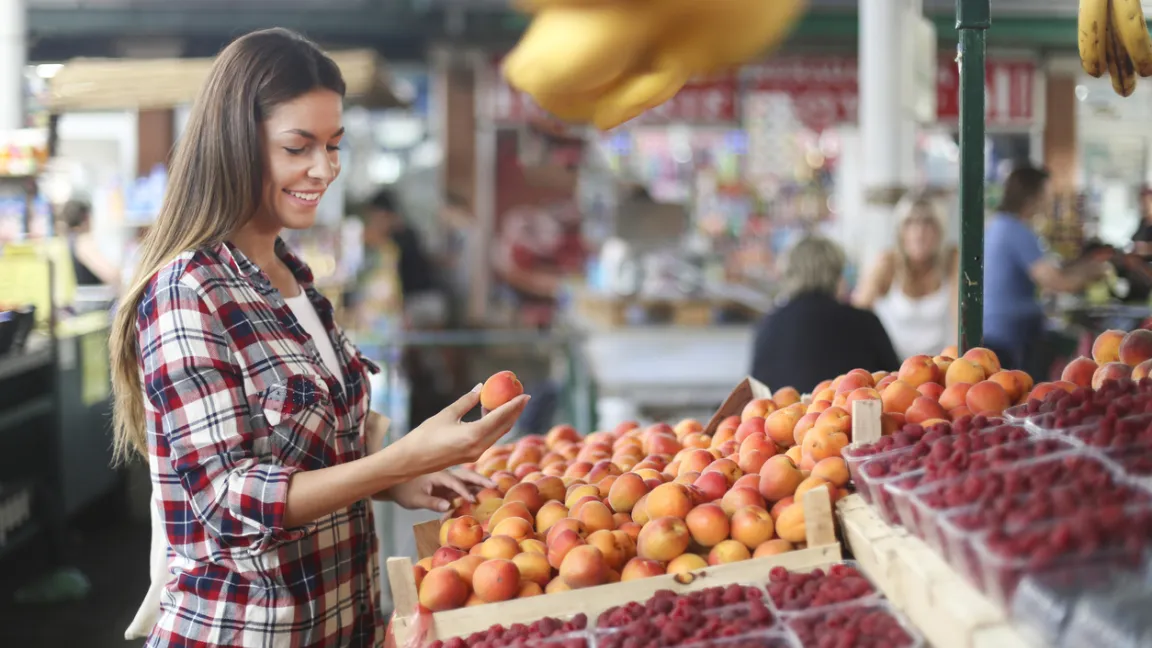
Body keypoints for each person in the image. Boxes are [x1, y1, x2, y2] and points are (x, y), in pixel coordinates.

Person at [107, 29, 529, 647]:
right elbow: (229, 501)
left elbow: (322, 439)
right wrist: (401, 459)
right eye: (297, 146)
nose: (324, 169)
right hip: (243, 631)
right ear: (235, 143)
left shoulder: (296, 279)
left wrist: (402, 476)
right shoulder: (188, 292)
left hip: (340, 621)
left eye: (334, 146)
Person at [984, 165, 1108, 372]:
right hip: (1010, 336)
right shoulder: (1017, 231)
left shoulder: (1000, 225)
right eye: (1045, 193)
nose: (1048, 201)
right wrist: (1095, 271)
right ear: (1031, 196)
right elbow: (1058, 281)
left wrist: (1082, 266)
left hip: (997, 330)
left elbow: (1050, 268)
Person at [750, 236, 900, 395]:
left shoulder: (768, 325)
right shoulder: (863, 322)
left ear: (789, 273)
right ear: (835, 274)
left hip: (782, 417)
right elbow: (896, 384)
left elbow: (756, 392)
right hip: (848, 417)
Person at [853, 193, 959, 360]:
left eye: (928, 223)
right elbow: (856, 317)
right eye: (910, 223)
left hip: (942, 368)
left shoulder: (952, 260)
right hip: (893, 371)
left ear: (940, 230)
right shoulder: (888, 263)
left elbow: (961, 320)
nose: (919, 232)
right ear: (900, 231)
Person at [60, 198, 120, 288]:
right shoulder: (82, 243)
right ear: (86, 217)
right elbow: (111, 275)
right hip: (91, 299)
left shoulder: (66, 240)